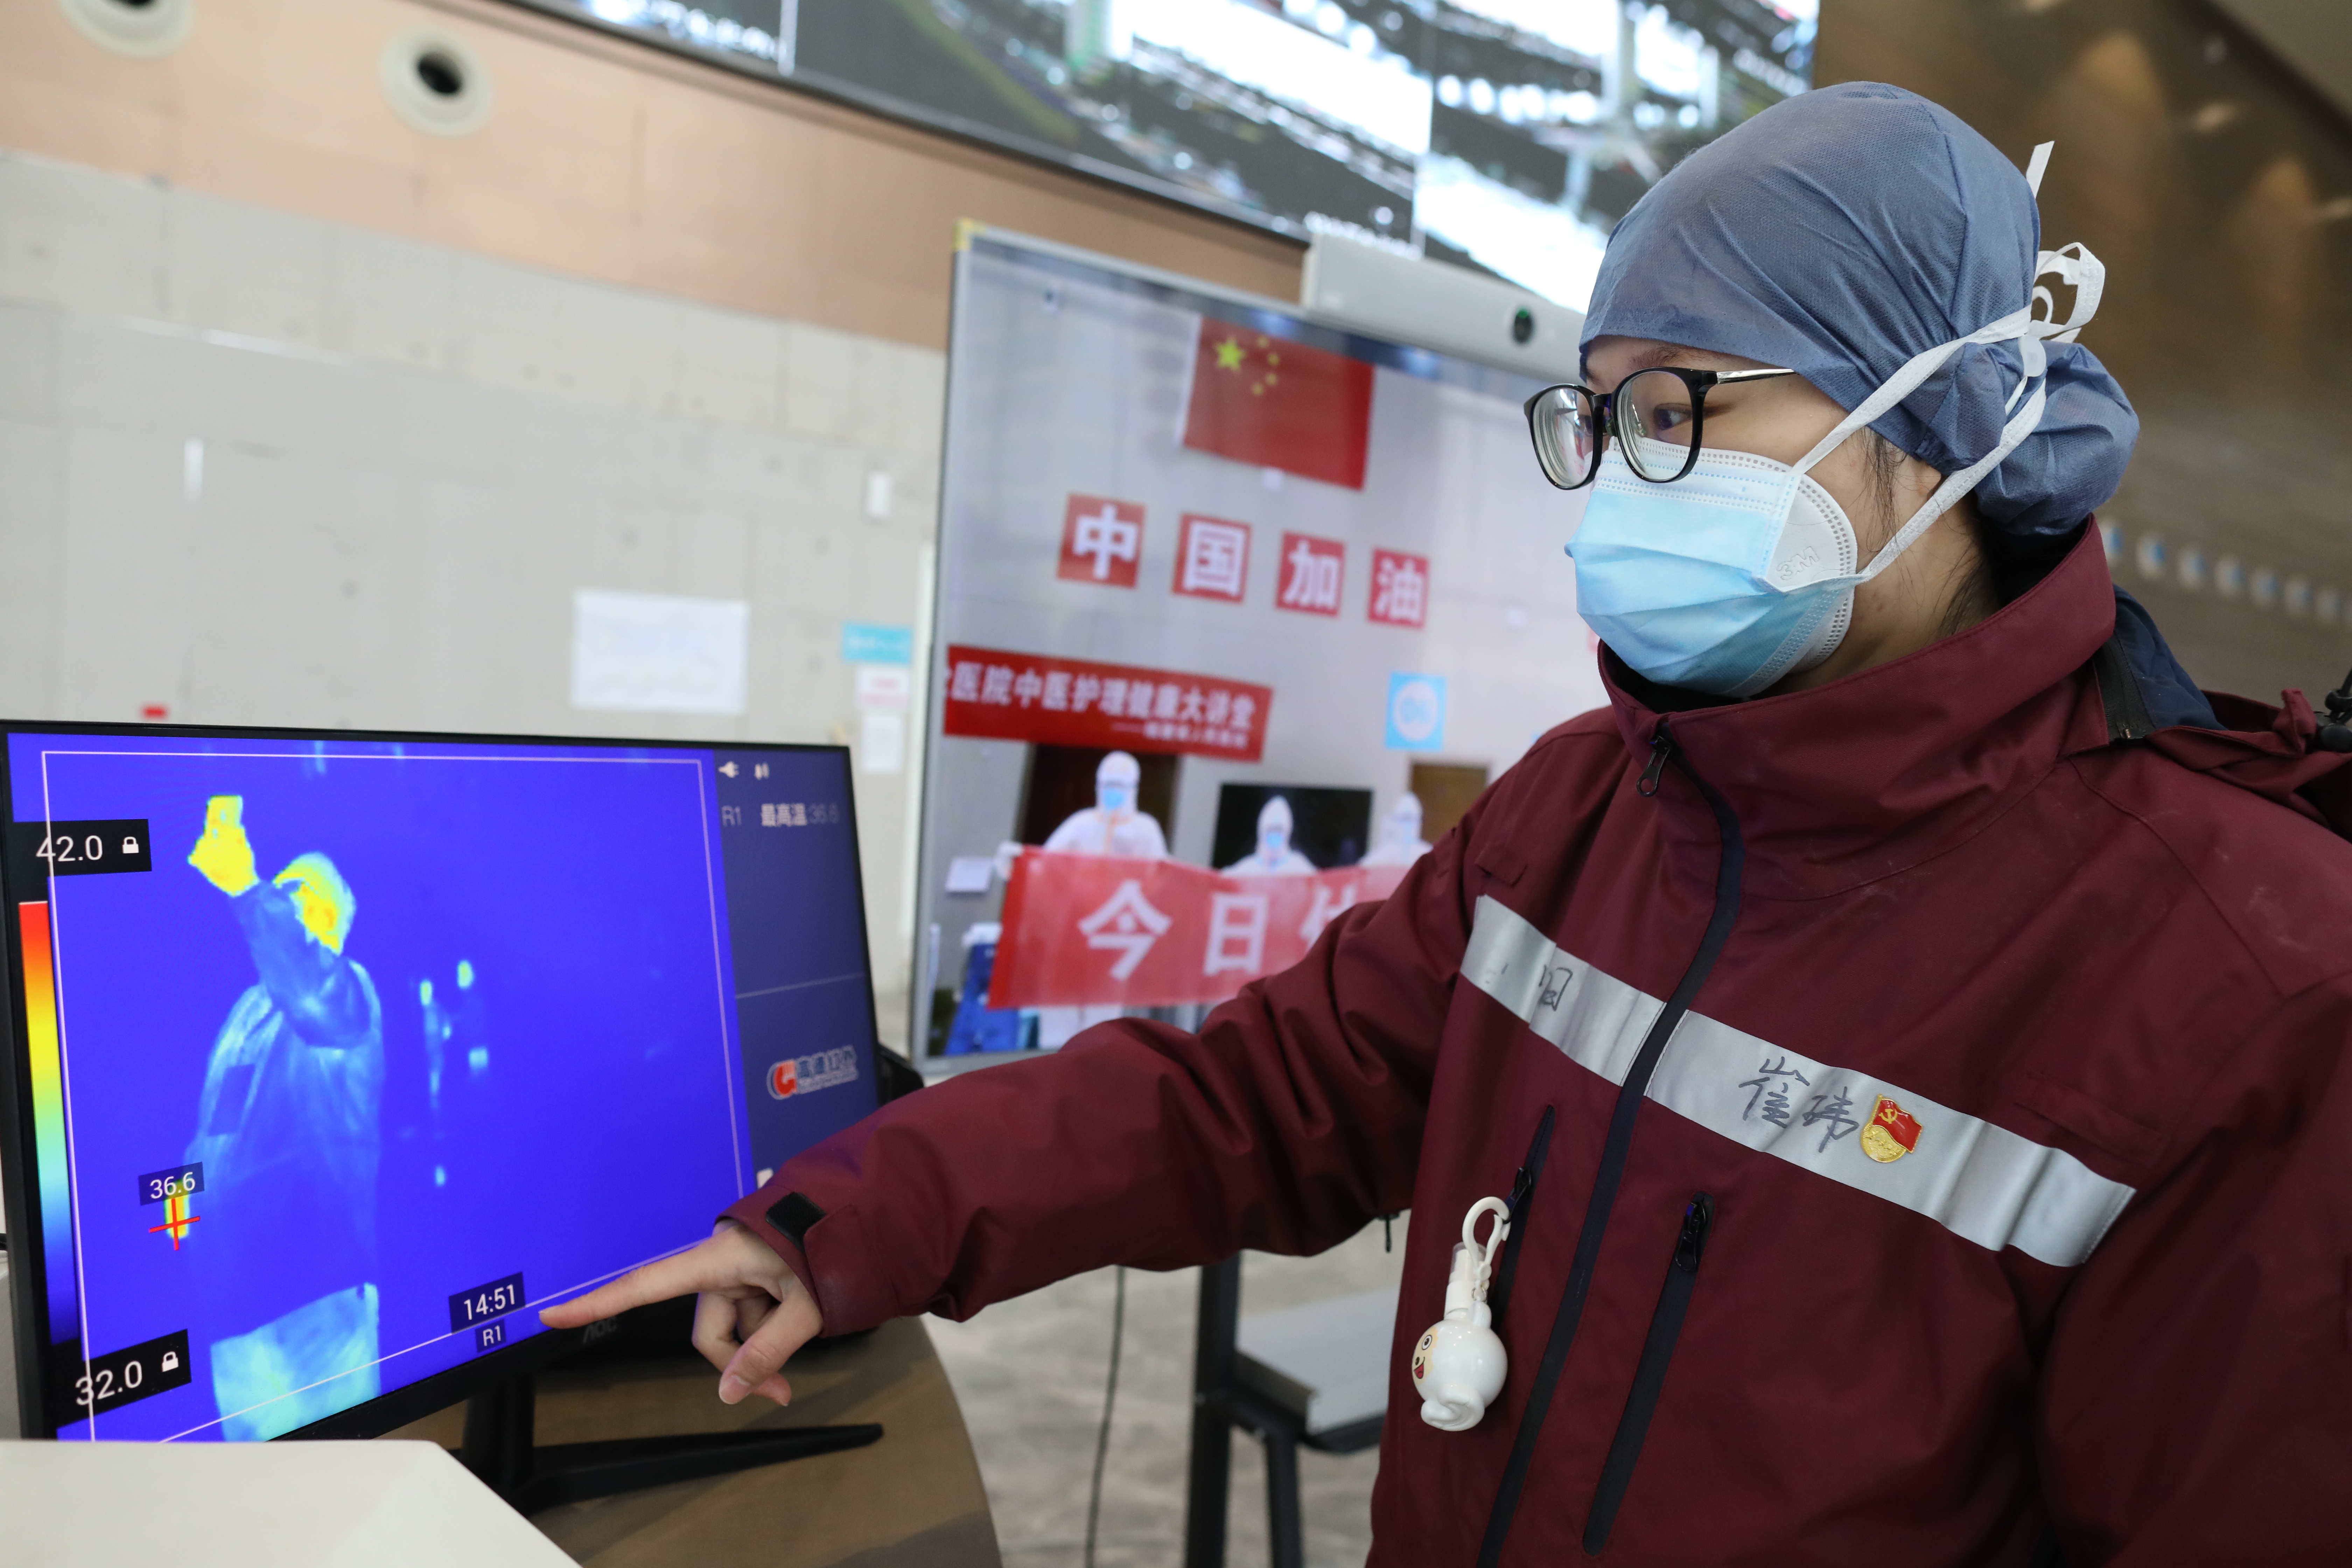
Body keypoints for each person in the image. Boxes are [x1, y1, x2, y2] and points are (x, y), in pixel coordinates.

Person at [545, 84, 2352, 1561]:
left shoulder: (2242, 975)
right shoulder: (1597, 804)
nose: (1626, 476)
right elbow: (1257, 1099)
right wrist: (850, 1211)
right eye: (1604, 412)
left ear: (1944, 418)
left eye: (1684, 409)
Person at [183, 795, 384, 1441]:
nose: (274, 894)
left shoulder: (344, 994)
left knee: (349, 1483)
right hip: (233, 1309)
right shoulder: (244, 1014)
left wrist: (244, 885)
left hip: (318, 1294)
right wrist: (183, 1247)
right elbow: (206, 1146)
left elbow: (306, 984)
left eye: (290, 890)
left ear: (324, 920)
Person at [1029, 750, 1170, 1048]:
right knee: (1060, 998)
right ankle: (1053, 1062)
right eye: (1108, 785)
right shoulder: (1082, 824)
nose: (1113, 793)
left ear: (1134, 789)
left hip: (1116, 934)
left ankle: (1097, 1066)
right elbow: (1045, 862)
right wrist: (1017, 863)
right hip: (1073, 929)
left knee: (1103, 1008)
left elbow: (1164, 876)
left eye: (1120, 786)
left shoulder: (1145, 829)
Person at [1221, 794, 1315, 876]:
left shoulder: (1298, 866)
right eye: (1270, 830)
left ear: (1287, 832)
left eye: (1279, 830)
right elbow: (1225, 881)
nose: (1274, 834)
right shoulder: (1249, 867)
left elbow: (1319, 886)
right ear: (1261, 831)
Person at [1357, 792, 1433, 868]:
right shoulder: (1383, 854)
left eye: (1411, 819)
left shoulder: (1428, 854)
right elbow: (1363, 868)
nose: (1408, 826)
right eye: (1404, 819)